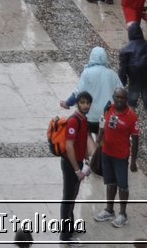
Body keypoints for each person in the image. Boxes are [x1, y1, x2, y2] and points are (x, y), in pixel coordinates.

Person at [95, 87, 141, 228]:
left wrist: (133, 161)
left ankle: (122, 214)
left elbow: (135, 139)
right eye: (117, 97)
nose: (119, 100)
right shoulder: (109, 109)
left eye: (122, 97)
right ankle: (109, 209)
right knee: (110, 183)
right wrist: (100, 138)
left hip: (121, 156)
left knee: (123, 186)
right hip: (107, 153)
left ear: (126, 99)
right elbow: (103, 125)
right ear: (113, 97)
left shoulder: (132, 117)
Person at [58, 92, 94, 244]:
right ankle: (65, 236)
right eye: (82, 102)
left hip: (78, 162)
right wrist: (76, 170)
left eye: (87, 103)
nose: (85, 105)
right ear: (77, 103)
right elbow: (69, 146)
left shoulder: (83, 119)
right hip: (70, 164)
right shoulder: (74, 121)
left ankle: (70, 226)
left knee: (72, 196)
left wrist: (85, 157)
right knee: (68, 198)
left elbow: (83, 140)